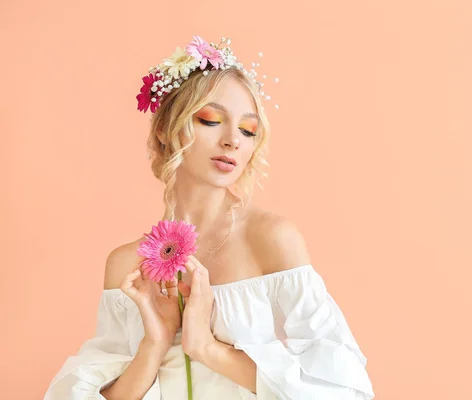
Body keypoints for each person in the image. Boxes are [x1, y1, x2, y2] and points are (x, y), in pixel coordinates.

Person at [44, 35, 375, 400]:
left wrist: (206, 347)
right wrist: (154, 343)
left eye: (248, 130)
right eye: (211, 120)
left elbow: (342, 388)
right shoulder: (126, 267)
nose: (234, 140)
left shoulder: (270, 239)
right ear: (164, 131)